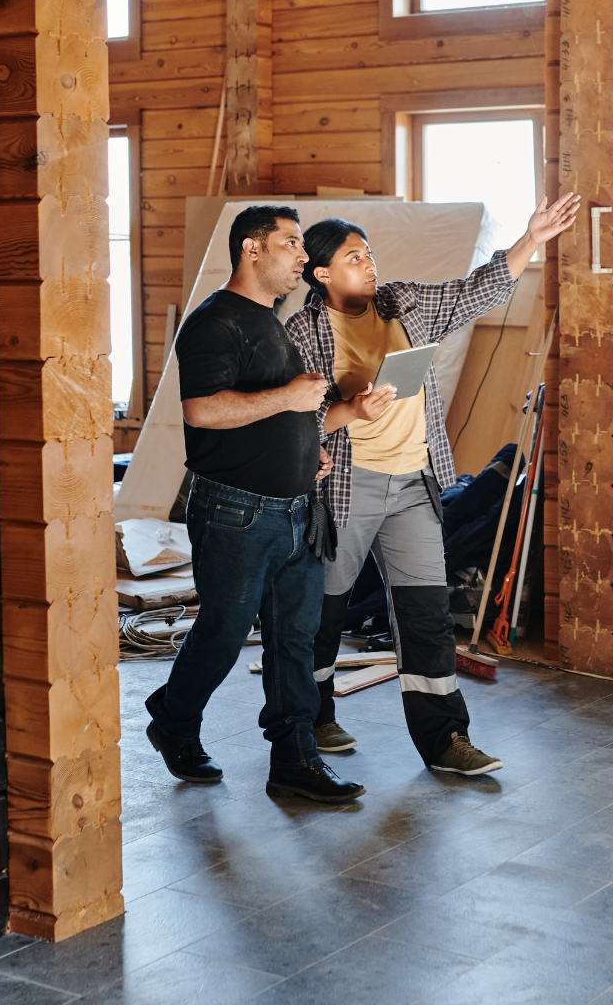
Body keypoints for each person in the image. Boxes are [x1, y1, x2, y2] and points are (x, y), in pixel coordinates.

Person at [286, 193, 581, 776]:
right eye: (352, 258)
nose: (369, 265)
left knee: (424, 613)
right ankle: (312, 715)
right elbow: (293, 419)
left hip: (414, 483)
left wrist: (532, 239)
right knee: (324, 609)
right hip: (347, 486)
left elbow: (479, 289)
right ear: (321, 274)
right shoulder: (303, 332)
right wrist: (352, 408)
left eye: (368, 254)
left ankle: (446, 739)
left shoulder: (405, 303)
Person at [143, 204, 364, 804]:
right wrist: (292, 398)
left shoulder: (272, 320)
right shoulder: (215, 323)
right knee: (222, 632)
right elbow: (204, 411)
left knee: (295, 639)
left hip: (296, 509)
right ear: (252, 250)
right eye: (291, 243)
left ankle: (294, 760)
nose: (302, 255)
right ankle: (174, 720)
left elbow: (277, 416)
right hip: (236, 513)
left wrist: (306, 454)